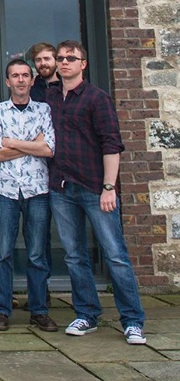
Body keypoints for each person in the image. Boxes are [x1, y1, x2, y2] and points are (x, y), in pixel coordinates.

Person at [47, 40, 147, 344]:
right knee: (75, 255)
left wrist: (108, 187)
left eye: (71, 58)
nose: (64, 63)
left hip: (94, 186)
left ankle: (132, 320)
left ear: (83, 64)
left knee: (115, 255)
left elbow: (111, 144)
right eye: (60, 58)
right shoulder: (50, 97)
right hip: (61, 187)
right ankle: (87, 313)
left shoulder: (96, 98)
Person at [0, 59, 57, 332]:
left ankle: (39, 310)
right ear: (7, 81)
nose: (20, 80)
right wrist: (32, 145)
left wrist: (12, 142)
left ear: (31, 79)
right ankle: (1, 311)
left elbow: (49, 148)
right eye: (15, 76)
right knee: (2, 253)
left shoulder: (44, 110)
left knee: (37, 253)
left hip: (37, 188)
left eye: (25, 75)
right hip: (3, 189)